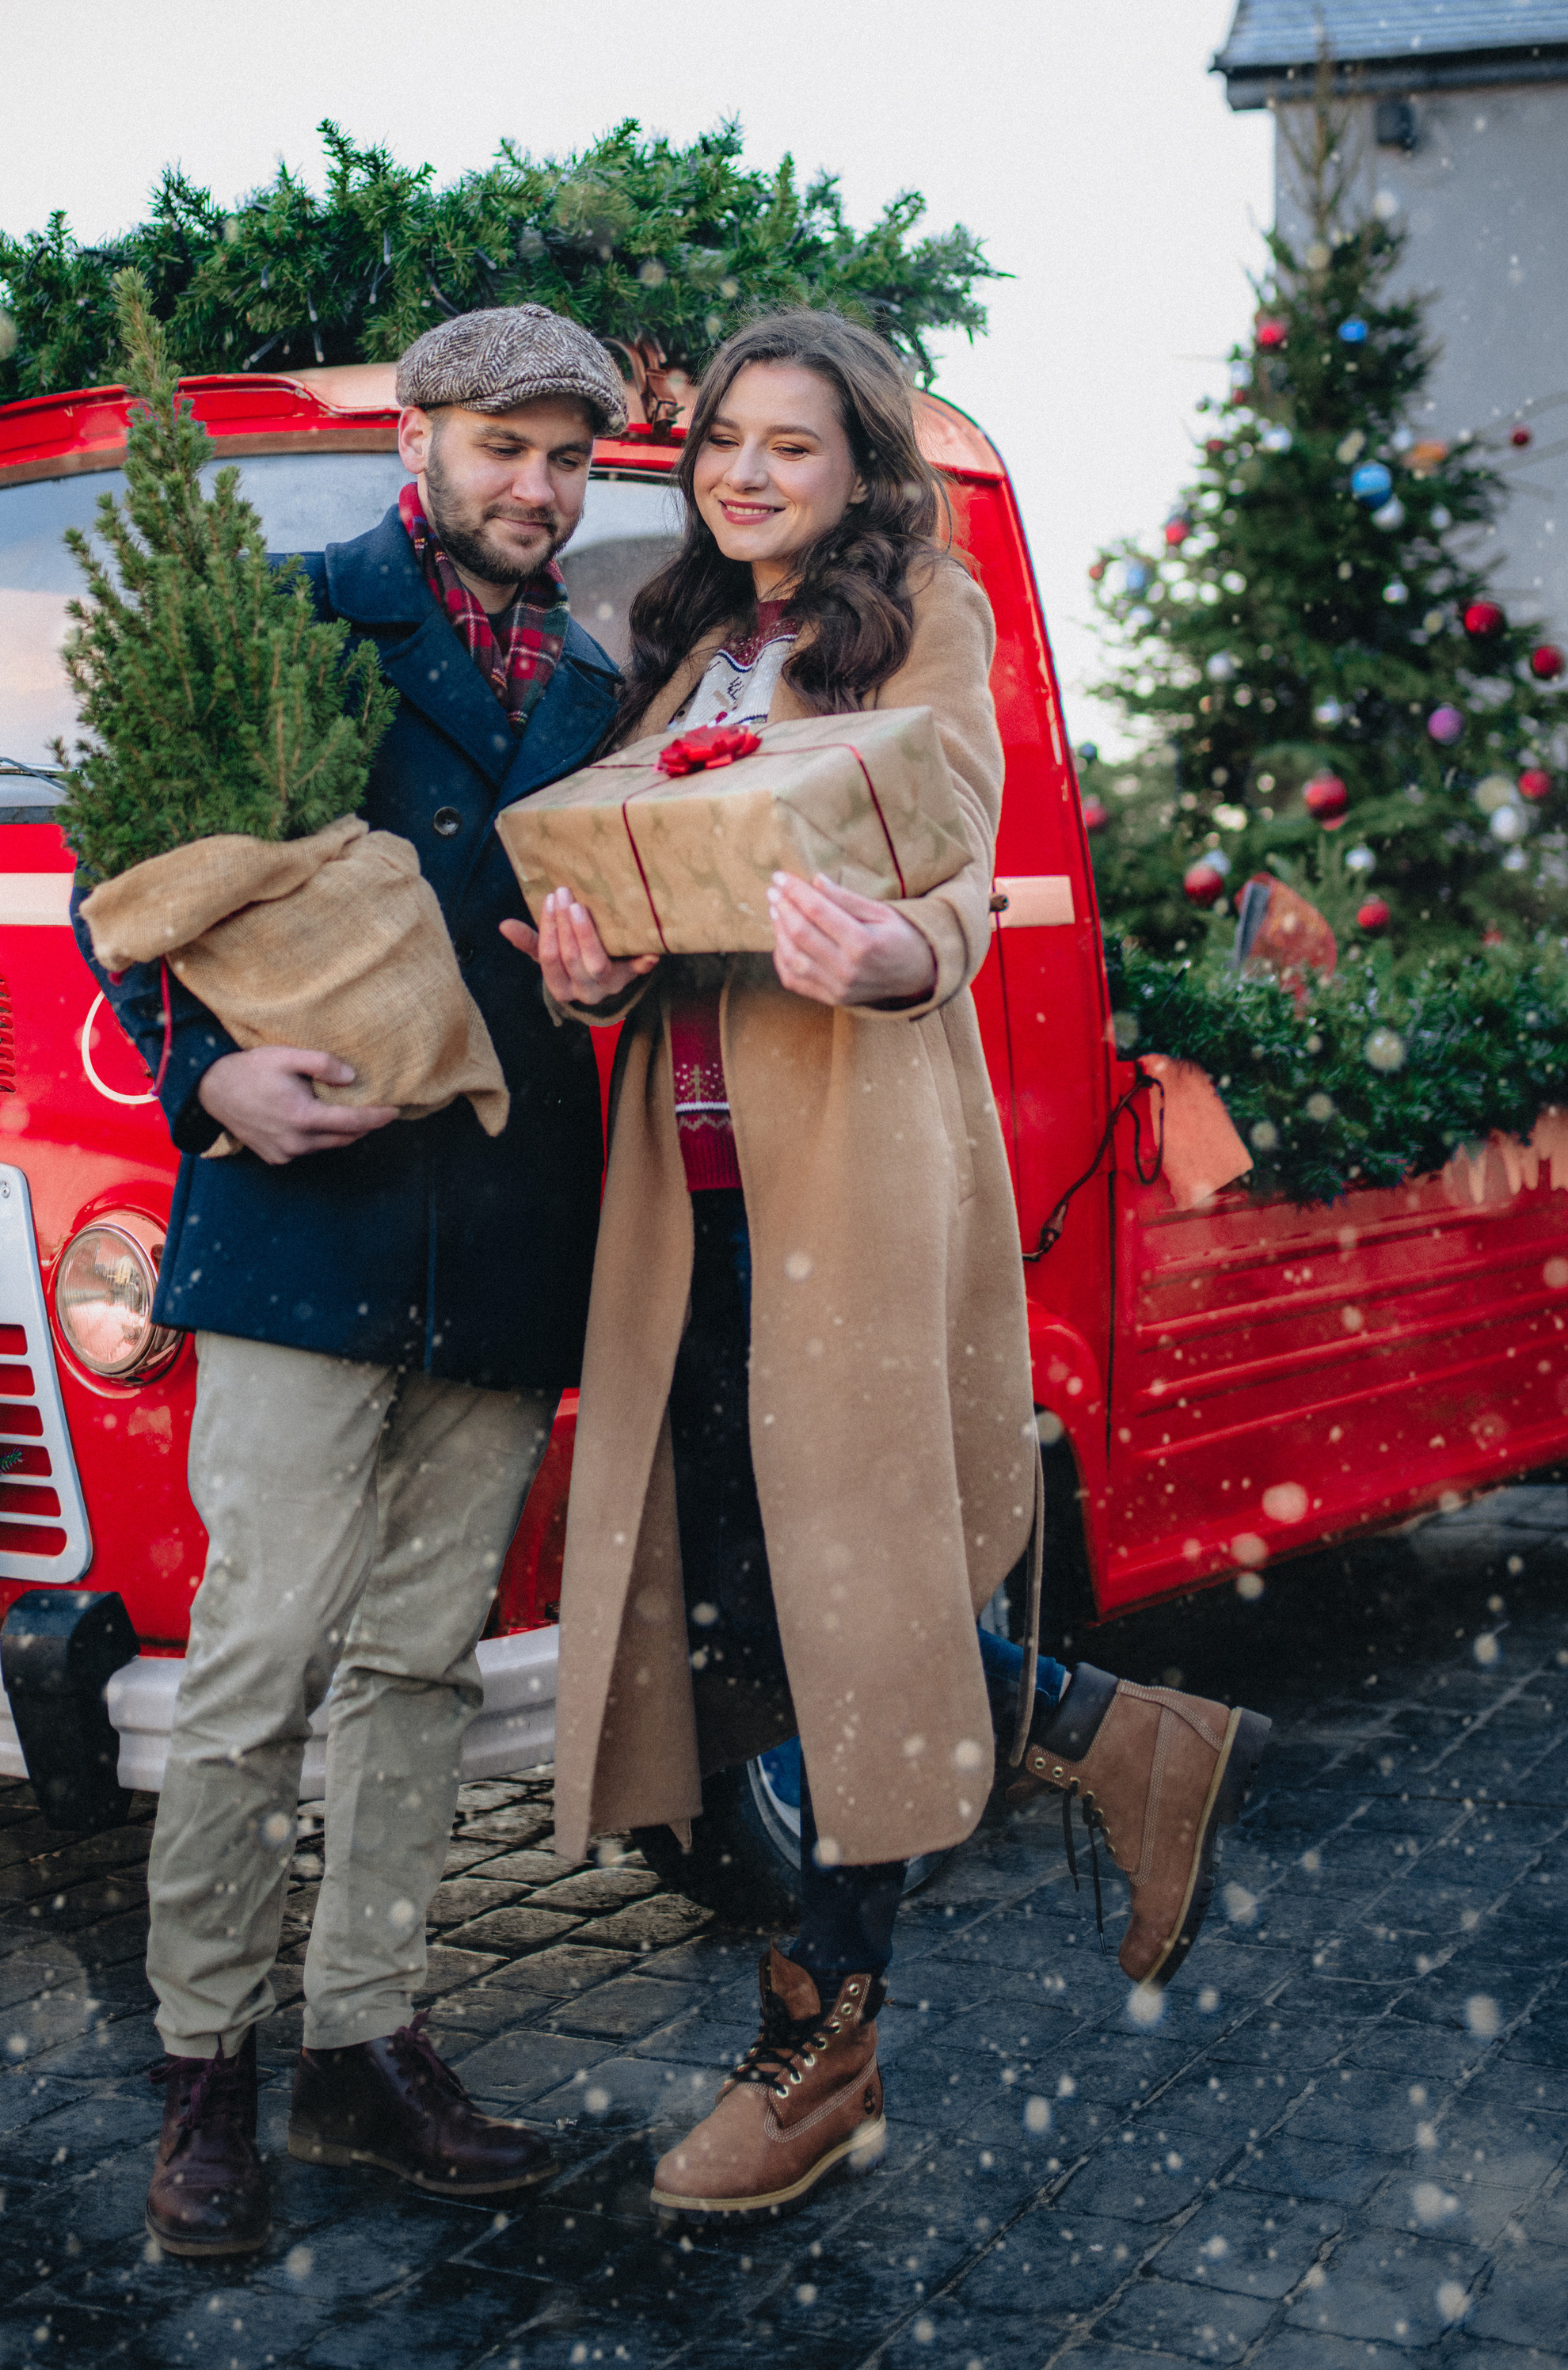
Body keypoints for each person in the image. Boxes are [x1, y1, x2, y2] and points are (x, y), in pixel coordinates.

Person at [504, 309, 1273, 2222]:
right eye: (723, 442)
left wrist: (899, 952)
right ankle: (1104, 1731)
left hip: (840, 1171)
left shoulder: (920, 614)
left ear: (857, 469)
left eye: (792, 444)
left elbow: (950, 869)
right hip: (683, 1197)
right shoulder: (685, 644)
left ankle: (818, 2045)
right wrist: (591, 968)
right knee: (741, 1607)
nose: (746, 474)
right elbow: (646, 883)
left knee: (843, 1605)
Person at [77, 304, 634, 2258]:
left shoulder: (599, 685)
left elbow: (614, 935)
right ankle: (203, 2072)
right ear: (415, 441)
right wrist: (200, 1081)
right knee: (253, 1664)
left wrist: (610, 988)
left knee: (417, 1668)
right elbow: (118, 882)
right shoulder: (290, 617)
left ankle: (363, 2042)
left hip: (509, 1230)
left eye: (566, 458)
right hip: (299, 1233)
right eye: (502, 447)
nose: (535, 489)